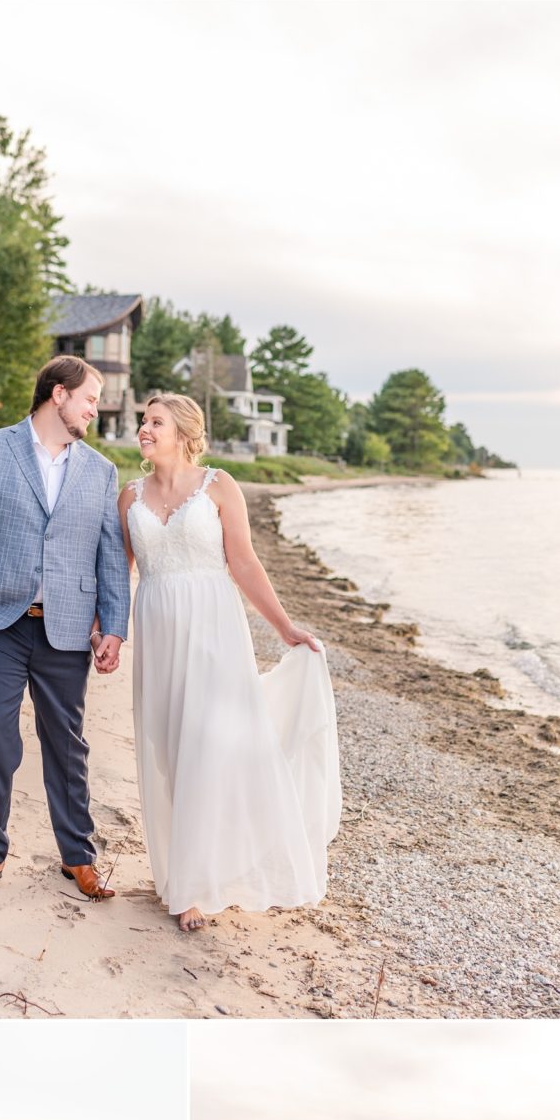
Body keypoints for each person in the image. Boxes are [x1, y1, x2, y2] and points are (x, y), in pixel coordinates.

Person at [119, 393, 341, 932]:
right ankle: (181, 873)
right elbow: (117, 569)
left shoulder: (218, 485)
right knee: (170, 749)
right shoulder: (128, 495)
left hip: (215, 628)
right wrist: (108, 632)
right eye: (143, 422)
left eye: (155, 423)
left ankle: (198, 883)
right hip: (158, 628)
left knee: (212, 745)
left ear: (184, 432)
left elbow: (243, 561)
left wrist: (286, 628)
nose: (143, 429)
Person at [0, 356, 130, 900]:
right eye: (91, 398)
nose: (96, 408)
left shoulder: (101, 471)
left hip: (66, 629)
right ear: (59, 394)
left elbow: (110, 557)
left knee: (66, 744)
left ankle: (79, 857)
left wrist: (113, 625)